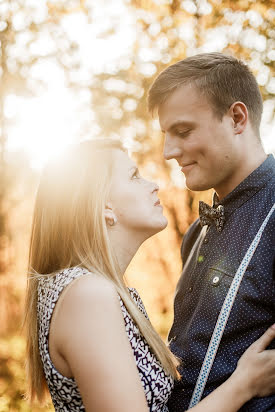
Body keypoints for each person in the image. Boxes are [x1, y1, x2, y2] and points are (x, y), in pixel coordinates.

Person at [24, 139, 275, 412]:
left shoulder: (94, 290)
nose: (153, 185)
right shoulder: (88, 296)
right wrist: (244, 384)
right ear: (104, 205)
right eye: (134, 176)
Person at [148, 52, 275, 411]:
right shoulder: (195, 234)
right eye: (166, 135)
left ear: (237, 118)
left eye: (183, 131)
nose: (169, 151)